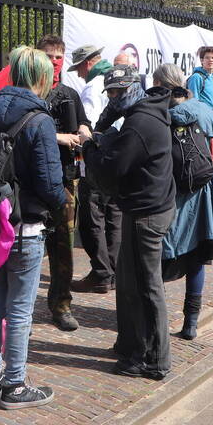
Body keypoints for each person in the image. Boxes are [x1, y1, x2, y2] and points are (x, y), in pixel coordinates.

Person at [0, 45, 66, 409]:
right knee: (21, 309)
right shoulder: (39, 120)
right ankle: (14, 386)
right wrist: (59, 205)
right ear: (40, 78)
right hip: (25, 224)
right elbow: (50, 182)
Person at [82, 65, 176, 380]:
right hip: (148, 206)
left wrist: (89, 146)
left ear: (133, 88)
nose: (114, 98)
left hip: (145, 213)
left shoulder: (139, 123)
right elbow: (112, 128)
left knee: (146, 287)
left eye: (119, 92)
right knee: (130, 283)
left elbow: (110, 173)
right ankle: (131, 345)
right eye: (110, 92)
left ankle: (153, 359)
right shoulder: (148, 108)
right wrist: (101, 126)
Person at [152, 64, 213, 340]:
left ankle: (155, 320)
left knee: (161, 255)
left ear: (160, 84)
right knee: (198, 254)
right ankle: (191, 323)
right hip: (203, 190)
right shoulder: (199, 108)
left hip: (173, 191)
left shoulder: (159, 114)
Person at [37, 35, 93, 331]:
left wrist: (84, 131)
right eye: (48, 55)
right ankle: (19, 304)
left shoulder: (70, 94)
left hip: (65, 179)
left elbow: (84, 123)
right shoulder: (28, 92)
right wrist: (57, 137)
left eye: (58, 56)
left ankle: (61, 304)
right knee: (27, 245)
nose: (54, 61)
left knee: (63, 245)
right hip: (32, 183)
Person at [68, 43, 122, 294]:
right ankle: (112, 270)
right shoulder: (118, 80)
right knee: (114, 216)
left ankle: (101, 273)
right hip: (119, 158)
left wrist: (80, 145)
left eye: (79, 68)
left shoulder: (93, 86)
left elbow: (87, 128)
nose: (79, 74)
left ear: (87, 63)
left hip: (98, 159)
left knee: (92, 217)